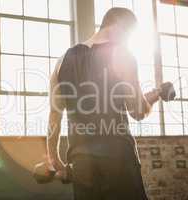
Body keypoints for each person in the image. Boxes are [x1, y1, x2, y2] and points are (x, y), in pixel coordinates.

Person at [46, 7, 160, 200]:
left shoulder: (62, 60)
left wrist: (54, 158)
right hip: (118, 159)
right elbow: (138, 111)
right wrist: (157, 95)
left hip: (80, 162)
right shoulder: (122, 54)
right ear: (123, 27)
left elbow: (54, 115)